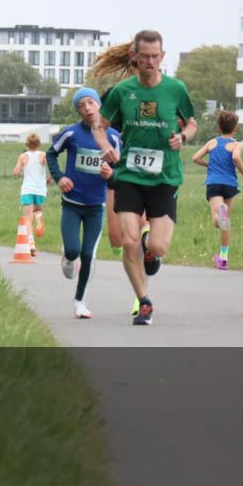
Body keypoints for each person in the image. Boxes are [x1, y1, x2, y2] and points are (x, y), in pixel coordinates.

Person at [92, 29, 197, 326]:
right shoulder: (122, 92)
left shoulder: (176, 89)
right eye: (145, 56)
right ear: (134, 57)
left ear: (162, 57)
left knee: (158, 248)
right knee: (128, 242)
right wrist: (105, 148)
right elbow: (99, 126)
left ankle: (151, 250)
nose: (150, 62)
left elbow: (191, 122)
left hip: (164, 176)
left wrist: (183, 136)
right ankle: (144, 300)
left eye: (155, 56)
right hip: (130, 176)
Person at [47, 88, 121, 319]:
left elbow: (121, 170)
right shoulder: (71, 133)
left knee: (88, 255)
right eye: (81, 105)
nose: (87, 108)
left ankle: (80, 302)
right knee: (73, 250)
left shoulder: (114, 137)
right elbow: (50, 154)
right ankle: (68, 257)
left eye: (90, 102)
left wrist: (111, 174)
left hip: (96, 206)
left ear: (99, 105)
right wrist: (60, 178)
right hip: (72, 202)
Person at [192, 110, 243, 270]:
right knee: (226, 224)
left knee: (218, 222)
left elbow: (195, 158)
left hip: (214, 183)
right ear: (235, 129)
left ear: (218, 127)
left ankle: (220, 215)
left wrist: (209, 165)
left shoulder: (212, 143)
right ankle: (223, 258)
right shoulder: (237, 144)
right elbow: (236, 157)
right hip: (230, 184)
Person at [12, 133, 51, 255]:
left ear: (26, 144)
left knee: (28, 219)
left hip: (27, 190)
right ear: (39, 144)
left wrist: (20, 169)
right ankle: (39, 221)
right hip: (40, 190)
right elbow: (51, 168)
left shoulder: (23, 156)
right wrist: (50, 178)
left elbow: (16, 172)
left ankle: (31, 244)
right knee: (38, 210)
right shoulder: (43, 155)